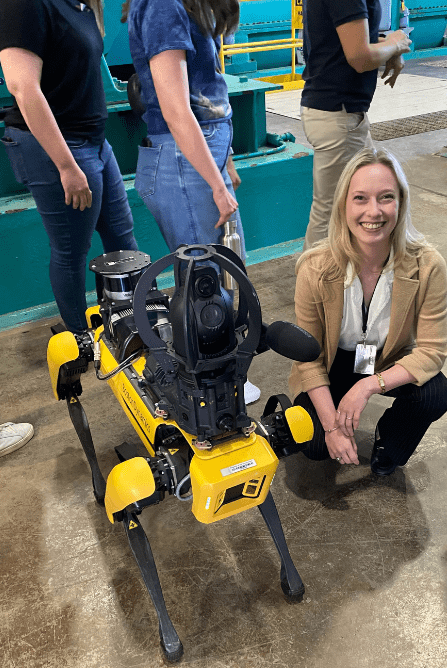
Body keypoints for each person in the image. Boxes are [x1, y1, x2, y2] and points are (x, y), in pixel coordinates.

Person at [123, 0, 260, 402]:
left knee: (221, 275)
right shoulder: (164, 5)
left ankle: (216, 377)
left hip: (198, 157)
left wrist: (225, 158)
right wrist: (215, 183)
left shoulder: (183, 5)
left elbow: (205, 90)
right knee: (205, 285)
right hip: (185, 163)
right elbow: (176, 107)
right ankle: (209, 390)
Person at [289, 148, 447, 474]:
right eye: (360, 198)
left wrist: (368, 385)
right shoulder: (314, 267)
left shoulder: (428, 265)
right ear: (343, 205)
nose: (374, 211)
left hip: (384, 360)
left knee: (435, 394)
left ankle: (388, 437)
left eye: (386, 197)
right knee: (316, 446)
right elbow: (307, 357)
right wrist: (332, 428)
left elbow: (433, 351)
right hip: (331, 362)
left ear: (401, 203)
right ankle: (328, 420)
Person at [0, 0, 138, 337]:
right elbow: (22, 87)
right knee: (72, 251)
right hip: (56, 148)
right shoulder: (25, 5)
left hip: (95, 141)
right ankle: (81, 338)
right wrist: (66, 166)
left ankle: (128, 323)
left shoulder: (83, 6)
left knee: (122, 239)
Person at [301, 0, 412, 251]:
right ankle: (312, 287)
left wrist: (389, 46)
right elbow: (359, 57)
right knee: (329, 212)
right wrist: (396, 44)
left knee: (364, 195)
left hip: (343, 114)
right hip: (338, 115)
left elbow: (344, 40)